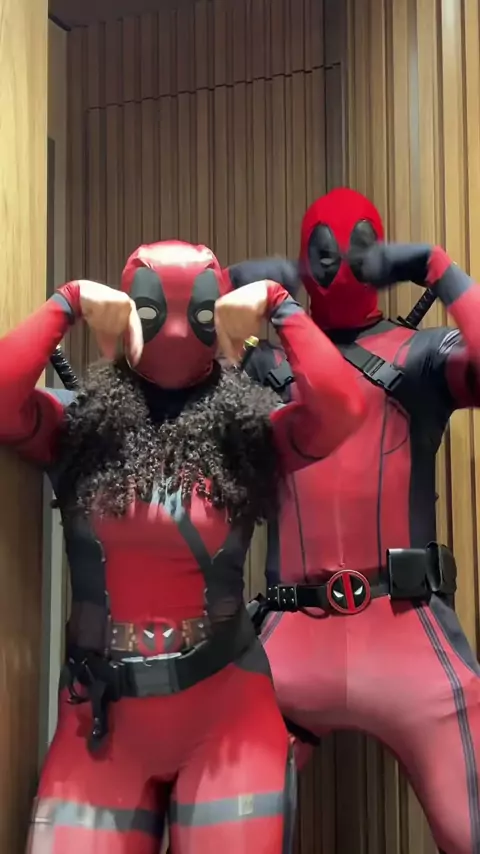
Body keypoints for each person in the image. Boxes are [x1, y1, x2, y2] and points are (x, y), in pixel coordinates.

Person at [0, 238, 366, 854]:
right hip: (100, 720)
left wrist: (280, 306)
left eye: (196, 312)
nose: (173, 329)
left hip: (227, 717)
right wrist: (68, 302)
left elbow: (343, 408)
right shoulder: (79, 428)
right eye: (151, 310)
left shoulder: (250, 433)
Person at [228, 187, 480, 854]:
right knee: (224, 834)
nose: (341, 263)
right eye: (324, 253)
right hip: (292, 647)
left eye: (358, 250)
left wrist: (436, 267)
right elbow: (176, 352)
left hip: (409, 638)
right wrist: (234, 286)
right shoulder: (263, 364)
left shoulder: (423, 357)